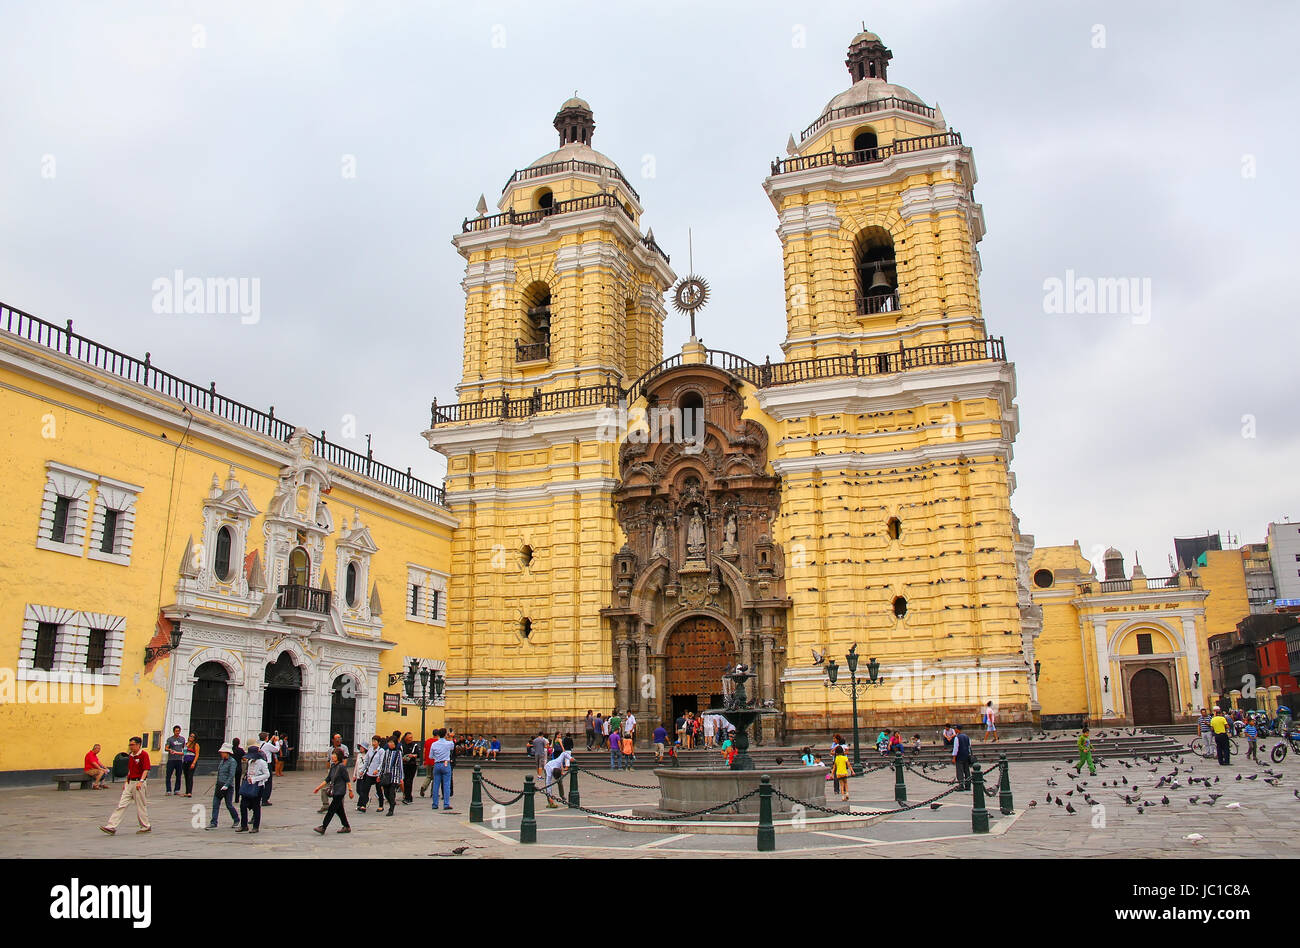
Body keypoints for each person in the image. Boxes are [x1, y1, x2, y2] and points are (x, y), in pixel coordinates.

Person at [100, 736, 151, 835]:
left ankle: (145, 826)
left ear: (139, 745)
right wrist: (126, 782)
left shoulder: (144, 755)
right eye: (130, 745)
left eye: (133, 745)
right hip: (130, 783)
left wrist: (141, 781)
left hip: (139, 783)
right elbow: (130, 770)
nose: (131, 747)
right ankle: (111, 826)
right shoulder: (131, 756)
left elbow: (146, 769)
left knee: (141, 805)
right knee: (121, 804)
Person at [313, 748, 353, 834]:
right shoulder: (333, 766)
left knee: (331, 810)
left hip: (340, 792)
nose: (333, 756)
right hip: (335, 791)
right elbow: (328, 779)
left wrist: (350, 791)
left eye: (335, 755)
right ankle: (346, 826)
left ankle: (323, 827)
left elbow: (347, 780)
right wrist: (318, 788)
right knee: (339, 810)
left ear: (339, 757)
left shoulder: (342, 767)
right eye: (333, 754)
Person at [237, 745, 269, 833]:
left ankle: (255, 826)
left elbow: (267, 774)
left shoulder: (262, 762)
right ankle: (244, 825)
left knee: (256, 807)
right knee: (243, 805)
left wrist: (255, 779)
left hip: (258, 786)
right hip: (248, 785)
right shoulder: (250, 761)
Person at [207, 743, 239, 830]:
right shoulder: (222, 761)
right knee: (215, 804)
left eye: (222, 752)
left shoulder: (232, 762)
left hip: (228, 787)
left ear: (227, 752)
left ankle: (236, 819)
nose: (221, 754)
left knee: (229, 805)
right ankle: (213, 822)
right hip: (219, 785)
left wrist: (227, 785)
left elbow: (231, 775)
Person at [319, 734, 349, 813]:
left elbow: (345, 760)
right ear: (333, 740)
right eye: (337, 738)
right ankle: (325, 805)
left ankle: (340, 807)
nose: (339, 740)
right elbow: (328, 761)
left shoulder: (344, 748)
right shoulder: (330, 749)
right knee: (324, 789)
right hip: (332, 771)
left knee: (339, 789)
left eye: (340, 738)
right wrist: (328, 771)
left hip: (340, 771)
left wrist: (341, 768)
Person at [428, 728, 454, 811]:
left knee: (436, 784)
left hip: (437, 764)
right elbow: (452, 747)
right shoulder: (448, 743)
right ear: (446, 734)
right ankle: (446, 804)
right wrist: (450, 737)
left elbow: (430, 756)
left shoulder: (434, 744)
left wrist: (437, 757)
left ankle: (435, 804)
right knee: (446, 784)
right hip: (446, 763)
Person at [380, 736, 404, 815]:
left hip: (394, 776)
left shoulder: (398, 753)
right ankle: (392, 802)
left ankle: (391, 809)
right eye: (389, 742)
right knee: (386, 792)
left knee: (391, 792)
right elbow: (383, 764)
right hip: (386, 775)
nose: (390, 744)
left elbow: (400, 765)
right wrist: (380, 774)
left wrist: (401, 777)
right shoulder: (386, 752)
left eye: (392, 743)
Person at [357, 736, 381, 812]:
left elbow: (382, 762)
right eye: (372, 741)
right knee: (365, 789)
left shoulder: (381, 751)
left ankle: (381, 805)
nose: (373, 743)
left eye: (375, 741)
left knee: (379, 790)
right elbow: (366, 762)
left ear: (378, 742)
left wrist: (378, 770)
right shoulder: (370, 751)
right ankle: (363, 805)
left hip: (377, 774)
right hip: (369, 773)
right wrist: (362, 771)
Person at [164, 725, 186, 795]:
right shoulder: (170, 739)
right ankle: (168, 790)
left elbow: (184, 748)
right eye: (176, 731)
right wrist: (170, 749)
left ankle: (177, 790)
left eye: (178, 731)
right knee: (168, 775)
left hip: (179, 759)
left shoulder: (182, 739)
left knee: (178, 775)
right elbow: (166, 748)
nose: (177, 732)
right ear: (174, 731)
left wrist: (184, 753)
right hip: (171, 759)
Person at [257, 732, 277, 805]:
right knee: (268, 782)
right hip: (266, 764)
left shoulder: (257, 743)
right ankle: (265, 799)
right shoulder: (267, 745)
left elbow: (266, 745)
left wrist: (271, 740)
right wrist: (276, 741)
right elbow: (276, 749)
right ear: (266, 738)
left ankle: (257, 796)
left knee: (259, 780)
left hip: (258, 764)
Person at [951, 724, 972, 790]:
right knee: (967, 771)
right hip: (966, 755)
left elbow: (955, 748)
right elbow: (969, 746)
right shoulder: (967, 736)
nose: (955, 730)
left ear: (957, 729)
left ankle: (961, 785)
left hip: (959, 756)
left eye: (955, 729)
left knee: (960, 771)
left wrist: (954, 757)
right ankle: (968, 785)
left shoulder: (957, 737)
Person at [401, 732, 419, 804]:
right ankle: (407, 796)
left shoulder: (414, 745)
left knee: (409, 781)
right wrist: (403, 758)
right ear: (405, 738)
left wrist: (413, 756)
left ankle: (408, 797)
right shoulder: (402, 746)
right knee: (405, 781)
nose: (411, 739)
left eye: (411, 737)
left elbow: (418, 754)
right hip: (404, 765)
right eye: (409, 737)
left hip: (412, 765)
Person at [182, 732, 200, 797]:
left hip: (191, 762)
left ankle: (190, 792)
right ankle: (186, 792)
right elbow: (184, 753)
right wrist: (175, 752)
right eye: (190, 736)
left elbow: (197, 754)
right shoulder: (186, 744)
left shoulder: (196, 745)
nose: (191, 738)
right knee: (186, 776)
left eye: (193, 737)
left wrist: (194, 763)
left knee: (190, 776)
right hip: (185, 761)